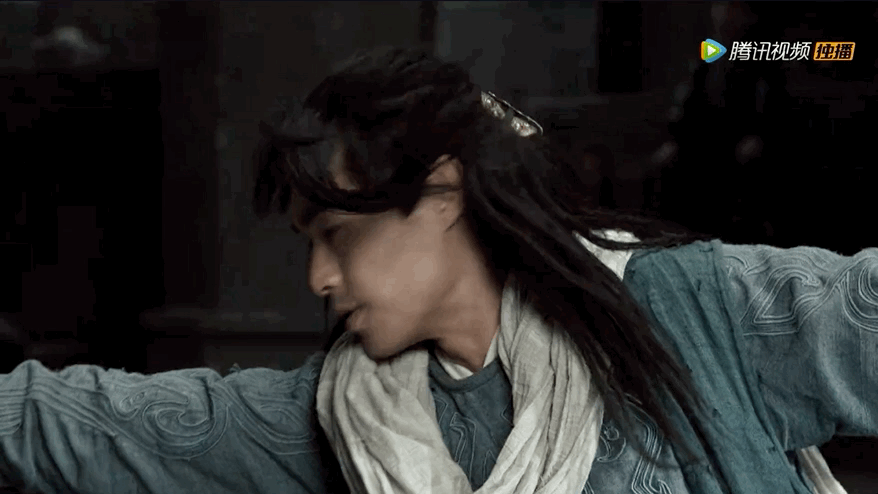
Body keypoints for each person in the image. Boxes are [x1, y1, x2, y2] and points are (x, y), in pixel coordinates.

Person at [0, 46, 870, 494]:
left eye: (339, 235)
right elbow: (90, 426)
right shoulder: (343, 415)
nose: (318, 278)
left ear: (443, 193)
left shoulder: (703, 312)